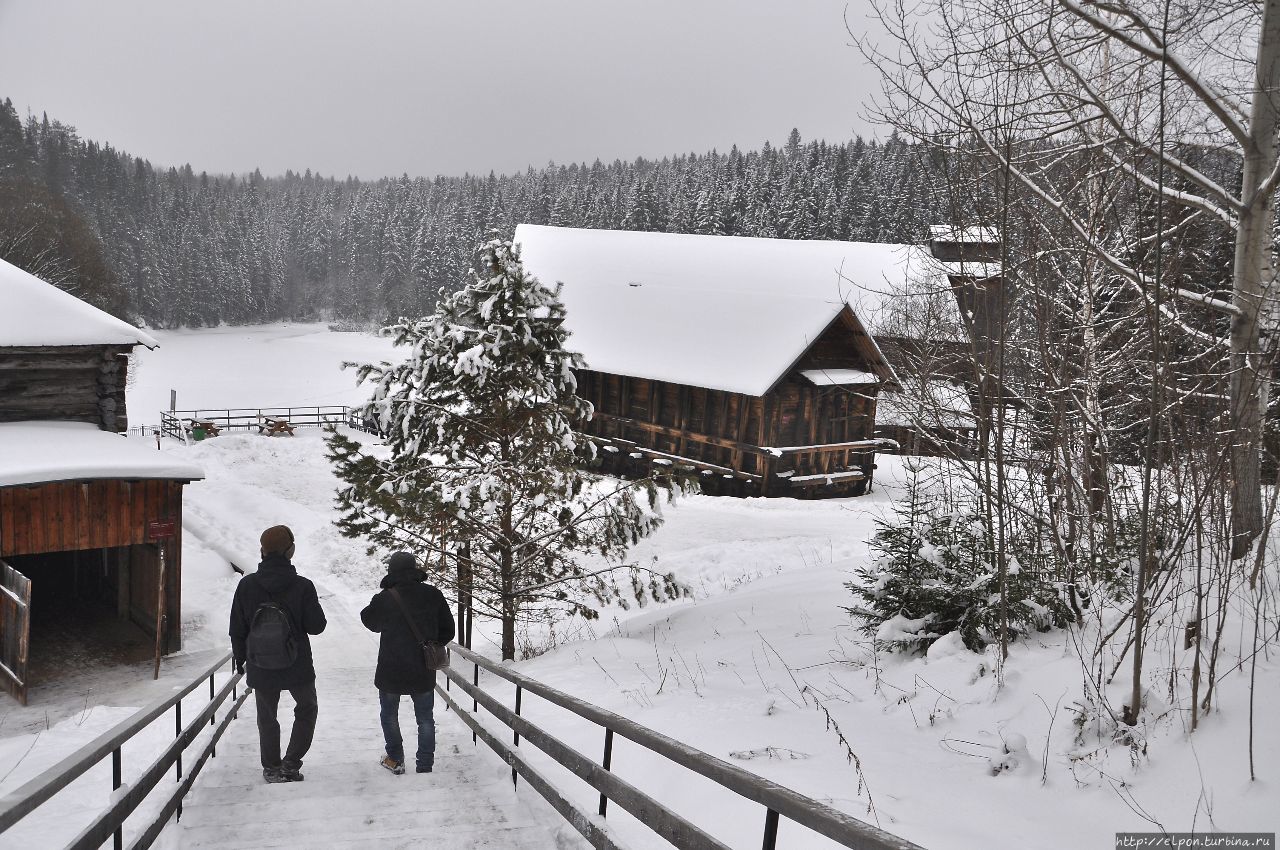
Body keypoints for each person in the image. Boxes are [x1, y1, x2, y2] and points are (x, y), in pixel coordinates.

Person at [229, 525, 328, 783]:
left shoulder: (247, 585)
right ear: (290, 551)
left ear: (262, 551)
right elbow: (317, 627)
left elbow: (237, 628)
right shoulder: (303, 586)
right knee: (307, 708)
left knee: (267, 716)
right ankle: (291, 764)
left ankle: (271, 768)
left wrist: (242, 661)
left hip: (260, 663)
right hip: (298, 663)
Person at [360, 551, 455, 775]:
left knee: (389, 715)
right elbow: (448, 630)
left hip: (391, 668)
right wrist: (431, 643)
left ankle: (395, 759)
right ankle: (424, 765)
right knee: (425, 718)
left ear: (391, 571)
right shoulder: (433, 594)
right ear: (414, 569)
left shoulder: (385, 598)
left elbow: (369, 620)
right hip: (422, 667)